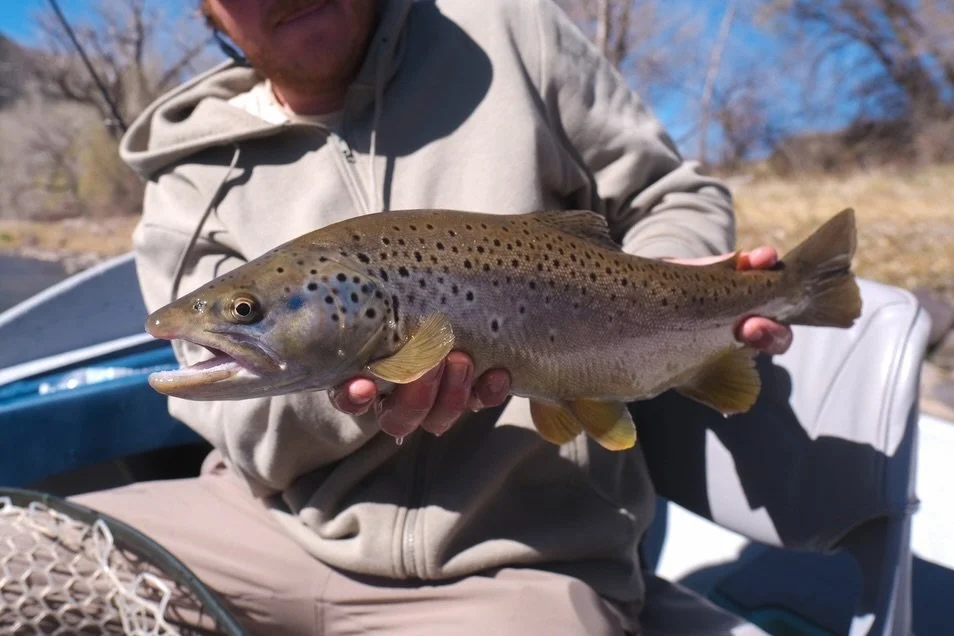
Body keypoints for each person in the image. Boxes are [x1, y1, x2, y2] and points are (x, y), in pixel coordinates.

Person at [74, 0, 791, 633]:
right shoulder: (186, 170)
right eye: (245, 310)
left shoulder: (510, 32)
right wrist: (358, 400)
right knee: (32, 554)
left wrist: (664, 285)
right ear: (207, 11)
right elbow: (242, 431)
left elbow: (670, 196)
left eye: (245, 312)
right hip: (262, 534)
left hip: (523, 555)